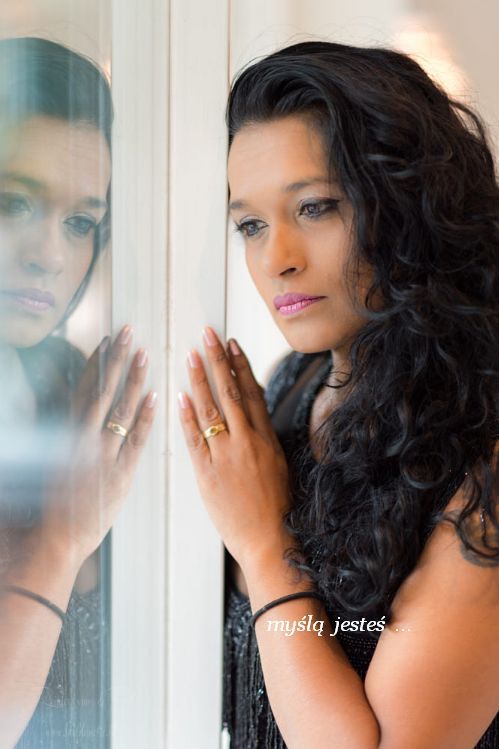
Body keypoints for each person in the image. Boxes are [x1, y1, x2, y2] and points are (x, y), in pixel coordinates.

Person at [177, 41, 499, 748]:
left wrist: (265, 546)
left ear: (409, 204)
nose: (276, 259)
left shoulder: (484, 460)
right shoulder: (292, 388)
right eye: (251, 225)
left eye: (315, 207)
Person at [0, 38, 156, 748]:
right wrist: (61, 541)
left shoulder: (71, 382)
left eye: (79, 222)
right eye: (12, 202)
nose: (48, 255)